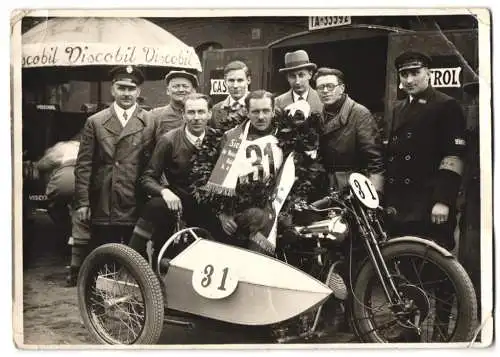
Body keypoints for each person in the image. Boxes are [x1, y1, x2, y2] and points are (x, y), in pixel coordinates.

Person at [70, 65, 157, 286]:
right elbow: (84, 165)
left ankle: (134, 303)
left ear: (138, 91)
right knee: (104, 254)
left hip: (135, 199)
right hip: (104, 199)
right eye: (121, 87)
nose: (126, 93)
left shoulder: (150, 121)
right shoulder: (96, 121)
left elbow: (155, 165)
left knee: (134, 258)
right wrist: (82, 202)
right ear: (113, 89)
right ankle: (99, 305)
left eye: (131, 88)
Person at [385, 51, 467, 251]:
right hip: (401, 203)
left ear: (428, 73)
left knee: (432, 267)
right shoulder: (399, 108)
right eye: (404, 74)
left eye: (415, 73)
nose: (409, 80)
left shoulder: (446, 105)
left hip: (429, 204)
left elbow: (454, 157)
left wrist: (443, 201)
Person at [127, 93, 224, 259]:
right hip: (179, 200)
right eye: (191, 112)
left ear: (209, 114)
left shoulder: (219, 139)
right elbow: (147, 178)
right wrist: (165, 192)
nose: (196, 118)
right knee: (155, 205)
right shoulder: (169, 140)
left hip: (209, 204)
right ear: (183, 115)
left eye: (201, 112)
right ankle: (130, 260)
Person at [312, 67, 384, 193]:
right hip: (324, 186)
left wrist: (374, 194)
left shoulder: (359, 114)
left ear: (342, 88)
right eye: (320, 87)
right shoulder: (318, 115)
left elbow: (375, 161)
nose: (325, 91)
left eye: (330, 86)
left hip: (352, 185)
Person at [35, 132, 81, 249]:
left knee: (54, 206)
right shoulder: (90, 146)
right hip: (85, 185)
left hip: (64, 185)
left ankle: (64, 233)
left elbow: (41, 165)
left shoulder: (61, 147)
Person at [150, 70, 198, 139]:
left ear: (193, 91)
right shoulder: (155, 116)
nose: (181, 90)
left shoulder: (201, 115)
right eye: (176, 86)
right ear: (168, 91)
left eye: (185, 86)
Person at [274, 50, 323, 114]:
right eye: (292, 76)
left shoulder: (322, 99)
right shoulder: (278, 102)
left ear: (310, 74)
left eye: (301, 75)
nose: (297, 81)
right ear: (287, 78)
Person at [209, 60, 251, 130]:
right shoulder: (215, 110)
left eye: (240, 80)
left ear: (248, 80)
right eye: (231, 80)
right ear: (225, 81)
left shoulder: (258, 106)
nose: (235, 85)